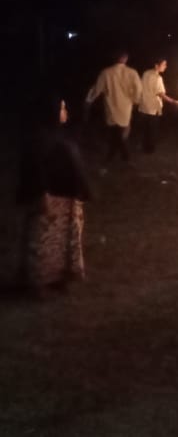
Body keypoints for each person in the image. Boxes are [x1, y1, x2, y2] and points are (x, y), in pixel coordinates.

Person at [17, 94, 92, 294]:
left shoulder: (61, 135)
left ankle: (60, 277)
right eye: (62, 108)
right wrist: (42, 195)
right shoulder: (39, 139)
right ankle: (38, 281)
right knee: (43, 241)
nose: (65, 112)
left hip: (67, 198)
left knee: (64, 241)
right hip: (49, 198)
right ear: (50, 113)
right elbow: (34, 169)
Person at [86, 50, 142, 163]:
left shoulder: (106, 72)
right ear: (125, 58)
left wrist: (89, 100)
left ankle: (114, 157)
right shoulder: (132, 72)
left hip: (111, 106)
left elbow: (98, 88)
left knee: (115, 132)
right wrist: (136, 100)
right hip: (126, 106)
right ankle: (120, 157)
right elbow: (139, 89)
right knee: (119, 132)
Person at [138, 58, 178, 154]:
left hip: (144, 105)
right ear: (156, 65)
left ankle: (145, 147)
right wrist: (173, 101)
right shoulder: (158, 78)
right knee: (152, 130)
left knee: (145, 129)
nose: (165, 67)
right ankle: (150, 150)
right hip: (153, 107)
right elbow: (160, 93)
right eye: (164, 64)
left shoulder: (146, 73)